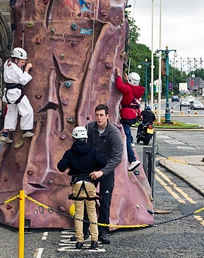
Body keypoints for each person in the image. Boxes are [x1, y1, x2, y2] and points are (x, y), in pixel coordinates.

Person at [57, 126, 106, 250]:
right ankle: (94, 240)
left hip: (77, 184)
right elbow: (103, 163)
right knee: (92, 213)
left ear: (74, 137)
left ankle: (80, 240)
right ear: (85, 138)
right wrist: (94, 169)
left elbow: (61, 167)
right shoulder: (92, 151)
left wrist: (70, 165)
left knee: (79, 214)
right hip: (90, 183)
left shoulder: (70, 152)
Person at [85, 104, 123, 245]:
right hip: (91, 168)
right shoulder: (89, 128)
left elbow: (117, 157)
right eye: (97, 115)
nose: (99, 118)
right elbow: (83, 148)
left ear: (107, 116)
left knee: (105, 201)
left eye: (102, 115)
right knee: (85, 198)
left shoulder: (113, 132)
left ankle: (103, 232)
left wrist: (102, 172)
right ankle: (84, 230)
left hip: (106, 169)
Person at [1, 47, 34, 143]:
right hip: (15, 93)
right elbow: (23, 80)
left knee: (11, 112)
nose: (23, 65)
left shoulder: (7, 64)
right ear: (16, 60)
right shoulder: (16, 69)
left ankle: (5, 133)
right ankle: (25, 130)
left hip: (8, 93)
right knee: (27, 110)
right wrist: (27, 69)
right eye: (22, 62)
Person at [115, 69, 144, 172]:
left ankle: (132, 160)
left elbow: (119, 86)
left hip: (127, 114)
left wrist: (118, 76)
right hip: (134, 114)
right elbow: (130, 87)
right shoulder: (138, 90)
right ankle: (131, 141)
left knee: (125, 136)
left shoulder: (127, 89)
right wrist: (127, 79)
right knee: (128, 132)